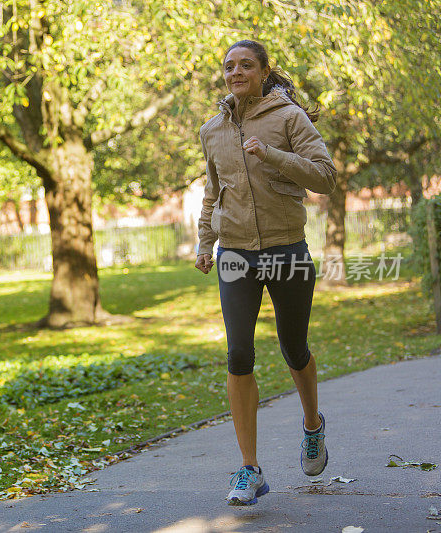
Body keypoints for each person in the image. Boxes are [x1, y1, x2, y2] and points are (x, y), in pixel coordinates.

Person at [194, 39, 337, 506]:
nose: (236, 72)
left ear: (263, 72)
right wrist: (204, 242)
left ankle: (313, 425)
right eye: (229, 66)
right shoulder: (212, 129)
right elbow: (213, 192)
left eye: (246, 65)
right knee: (238, 354)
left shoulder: (288, 117)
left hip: (286, 251)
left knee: (294, 349)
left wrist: (272, 155)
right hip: (235, 255)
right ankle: (249, 469)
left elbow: (325, 177)